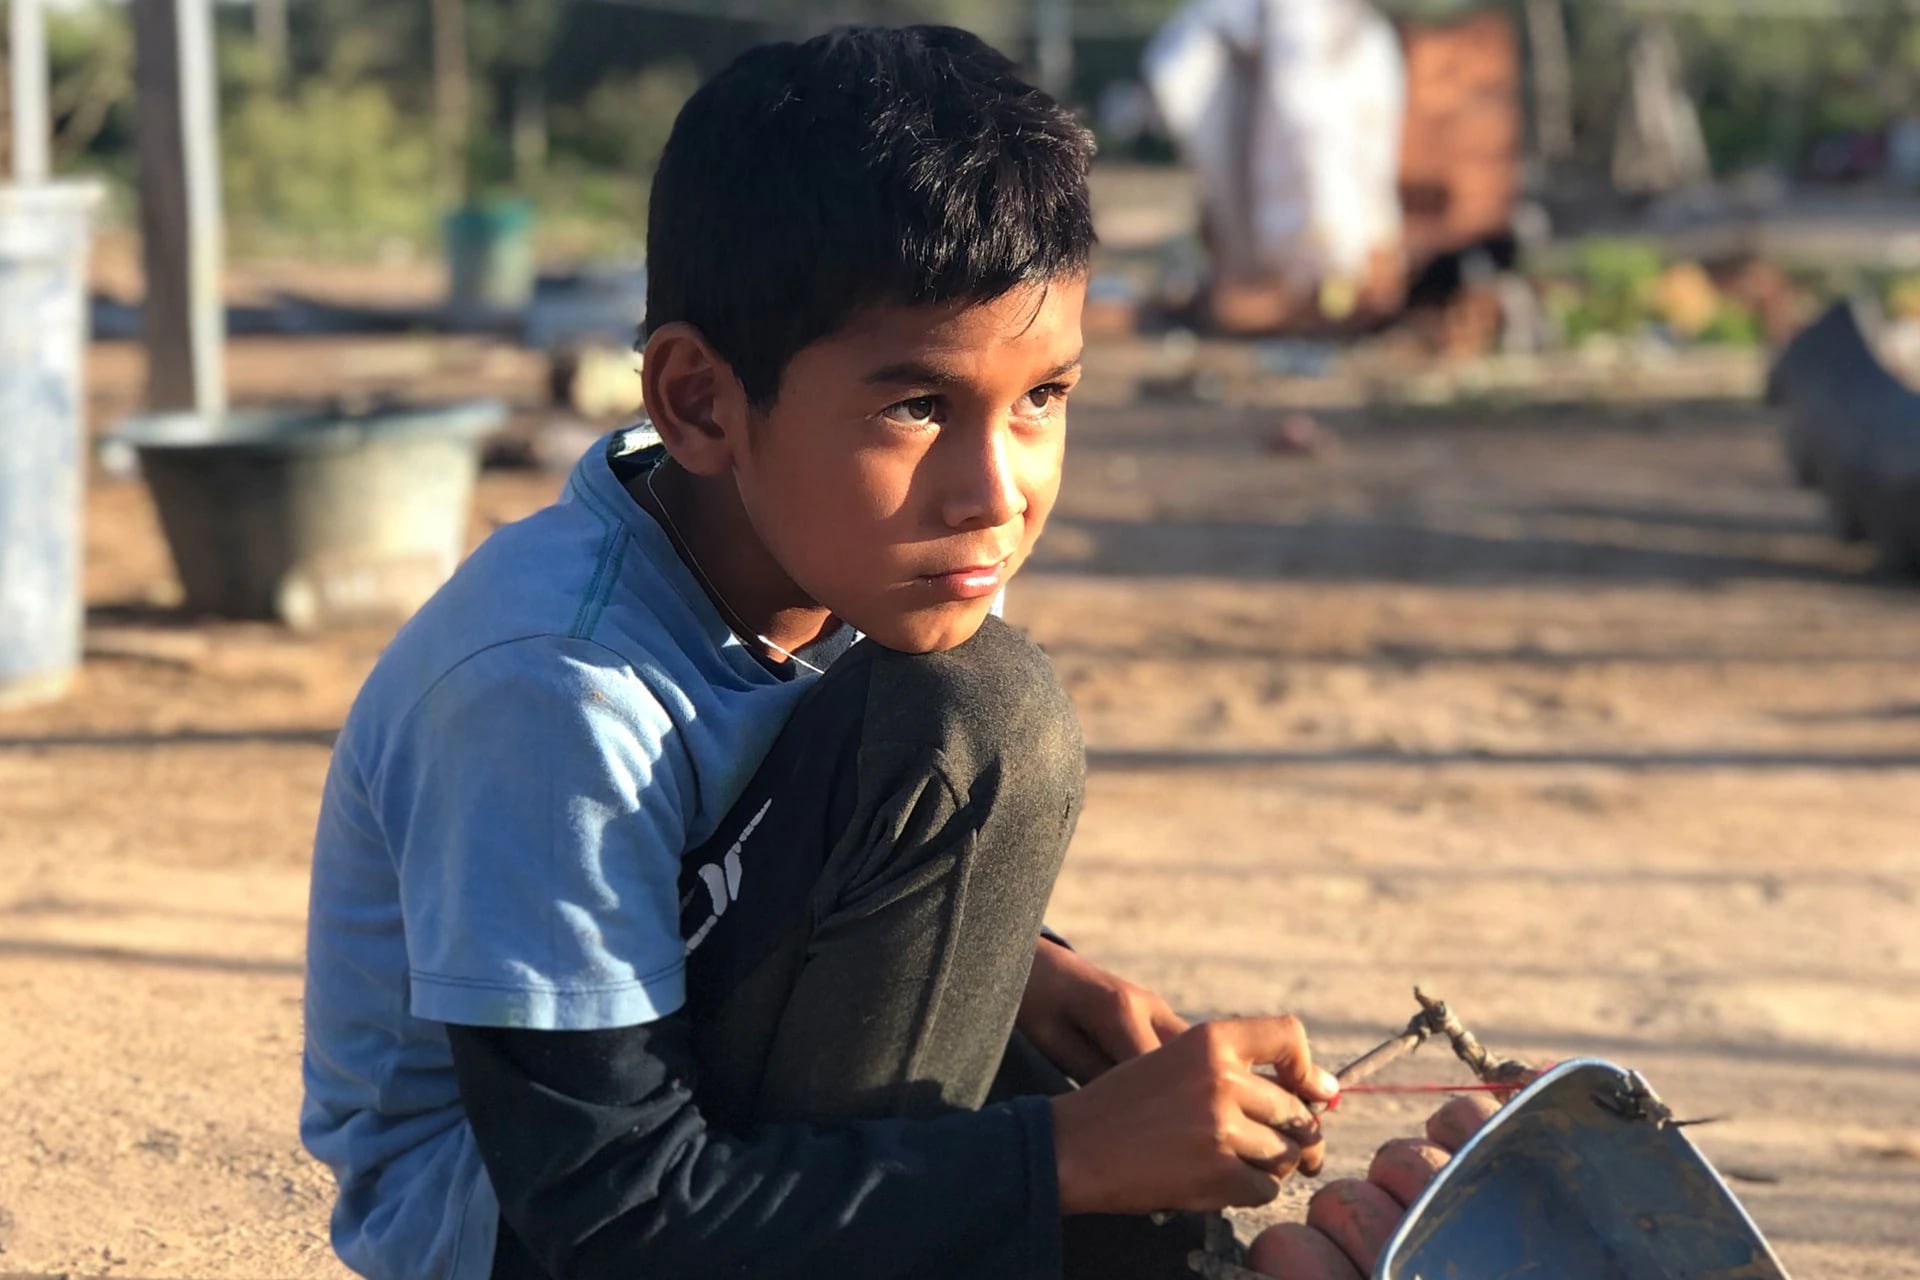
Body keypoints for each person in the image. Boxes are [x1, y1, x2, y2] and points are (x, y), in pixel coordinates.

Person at [299, 25, 1465, 1280]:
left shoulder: (884, 558)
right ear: (698, 401)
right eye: (917, 406)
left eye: (1043, 399)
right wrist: (1071, 1155)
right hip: (537, 1225)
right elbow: (611, 1208)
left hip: (709, 1142)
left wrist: (1025, 972)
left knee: (972, 734)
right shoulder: (550, 687)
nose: (995, 490)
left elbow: (772, 881)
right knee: (988, 721)